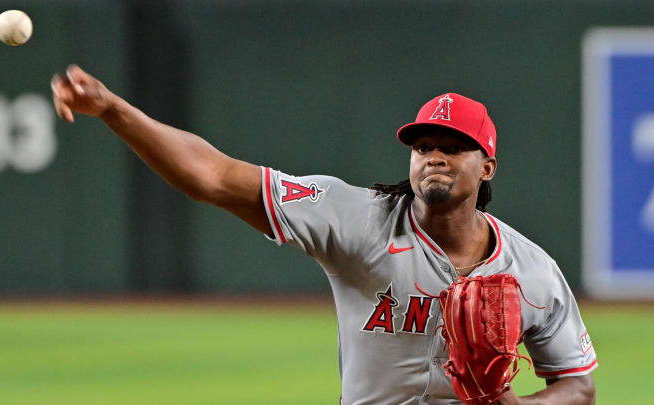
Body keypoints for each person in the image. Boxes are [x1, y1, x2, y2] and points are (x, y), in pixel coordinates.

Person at [51, 65, 597, 405]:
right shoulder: (356, 218)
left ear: (487, 168)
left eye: (452, 146)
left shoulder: (531, 270)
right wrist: (114, 111)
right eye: (423, 145)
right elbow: (212, 177)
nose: (434, 156)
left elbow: (578, 385)